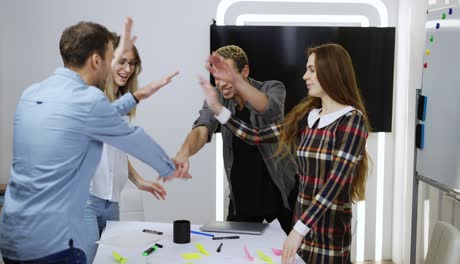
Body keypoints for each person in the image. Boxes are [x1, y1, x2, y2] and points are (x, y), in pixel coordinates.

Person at [0, 18, 189, 263]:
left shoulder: (32, 93)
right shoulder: (89, 101)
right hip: (51, 246)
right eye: (113, 58)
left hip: (13, 238)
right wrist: (171, 167)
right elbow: (133, 138)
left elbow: (95, 116)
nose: (117, 66)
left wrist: (136, 96)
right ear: (96, 60)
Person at [198, 43, 370, 264]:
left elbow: (335, 184)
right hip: (300, 228)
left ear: (332, 72)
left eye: (311, 70)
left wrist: (298, 230)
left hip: (328, 233)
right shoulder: (309, 116)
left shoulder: (351, 119)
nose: (304, 76)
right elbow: (257, 136)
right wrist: (220, 112)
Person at [173, 45, 297, 233]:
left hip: (283, 193)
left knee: (299, 255)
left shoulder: (272, 87)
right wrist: (184, 153)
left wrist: (237, 83)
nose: (221, 83)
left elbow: (269, 109)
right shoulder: (217, 99)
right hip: (243, 197)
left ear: (244, 71)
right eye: (217, 77)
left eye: (226, 76)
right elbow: (202, 129)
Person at [82, 34, 176, 263]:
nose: (127, 69)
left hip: (111, 201)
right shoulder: (91, 97)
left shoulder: (123, 102)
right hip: (86, 200)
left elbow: (116, 149)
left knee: (110, 259)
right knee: (91, 259)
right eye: (121, 62)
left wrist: (138, 179)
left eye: (131, 63)